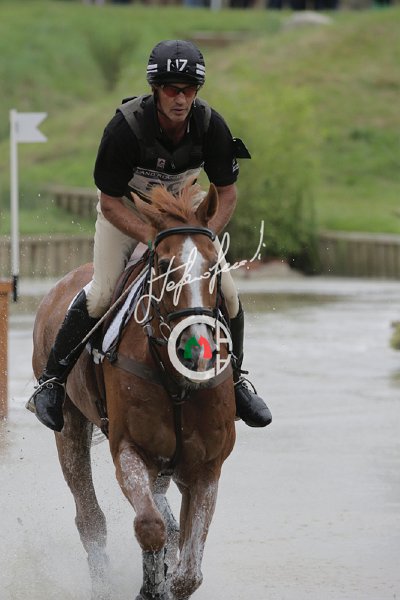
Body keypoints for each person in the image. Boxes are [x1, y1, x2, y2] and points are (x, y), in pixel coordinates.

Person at [28, 40, 272, 433]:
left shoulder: (211, 125)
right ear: (156, 90)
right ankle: (52, 381)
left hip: (185, 215)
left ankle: (238, 379)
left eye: (189, 90)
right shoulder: (125, 129)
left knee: (227, 291)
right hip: (128, 211)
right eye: (172, 90)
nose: (181, 99)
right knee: (102, 293)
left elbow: (227, 194)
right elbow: (109, 202)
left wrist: (201, 237)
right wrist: (153, 237)